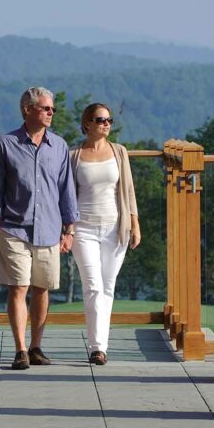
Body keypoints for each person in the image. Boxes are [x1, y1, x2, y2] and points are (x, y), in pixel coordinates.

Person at [0, 87, 78, 370]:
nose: (51, 113)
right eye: (45, 108)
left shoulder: (60, 146)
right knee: (19, 287)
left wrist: (69, 229)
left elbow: (66, 189)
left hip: (50, 229)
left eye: (52, 109)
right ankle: (20, 350)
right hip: (15, 228)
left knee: (42, 288)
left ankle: (37, 346)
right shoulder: (4, 144)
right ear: (27, 110)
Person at [70, 103, 141, 365]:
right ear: (87, 123)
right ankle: (96, 347)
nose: (106, 124)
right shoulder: (74, 155)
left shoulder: (119, 152)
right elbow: (66, 194)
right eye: (101, 120)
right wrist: (66, 227)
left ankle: (102, 346)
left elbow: (129, 190)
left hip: (115, 226)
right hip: (83, 228)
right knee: (92, 286)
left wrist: (135, 222)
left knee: (108, 287)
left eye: (109, 120)